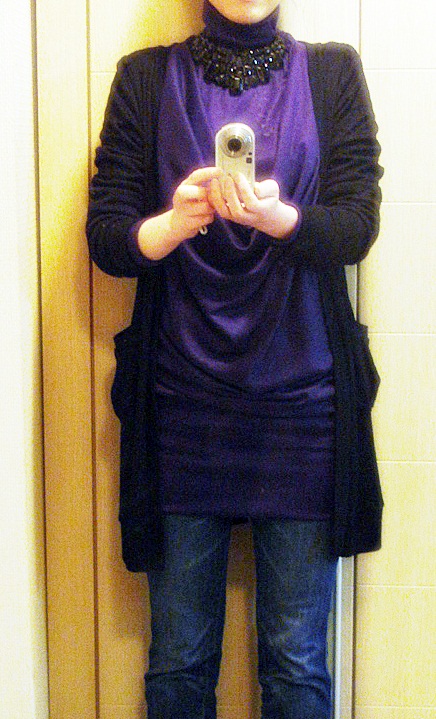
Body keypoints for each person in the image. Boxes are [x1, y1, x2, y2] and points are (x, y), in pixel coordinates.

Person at [87, 1, 383, 717]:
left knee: (297, 665)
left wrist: (279, 220)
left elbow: (356, 225)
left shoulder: (333, 73)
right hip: (182, 408)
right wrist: (174, 223)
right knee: (179, 663)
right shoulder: (145, 78)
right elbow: (107, 236)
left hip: (303, 410)